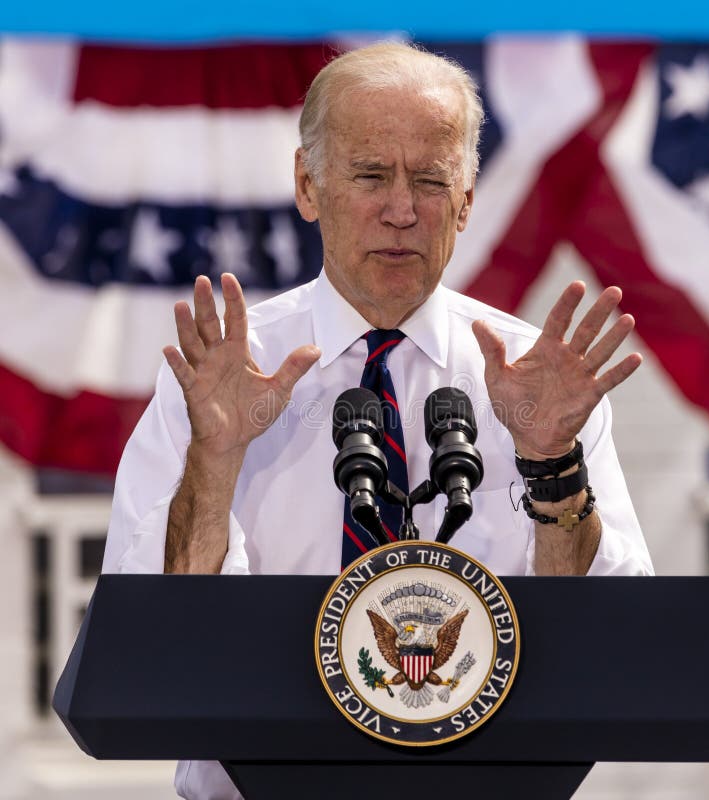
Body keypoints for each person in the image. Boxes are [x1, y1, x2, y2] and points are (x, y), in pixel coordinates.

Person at [102, 42, 653, 799]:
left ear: (465, 200)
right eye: (370, 175)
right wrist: (217, 458)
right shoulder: (222, 375)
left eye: (431, 181)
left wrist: (552, 466)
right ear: (308, 183)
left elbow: (608, 643)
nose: (402, 210)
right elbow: (151, 642)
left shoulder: (541, 381)